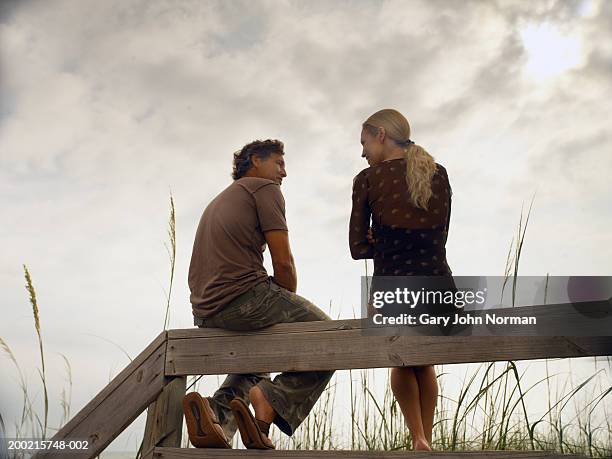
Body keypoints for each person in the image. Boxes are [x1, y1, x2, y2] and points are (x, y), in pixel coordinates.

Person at [185, 139, 334, 450]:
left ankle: (218, 416)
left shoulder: (221, 199)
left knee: (260, 359)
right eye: (279, 163)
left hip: (207, 310)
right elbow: (283, 261)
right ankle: (270, 399)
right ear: (255, 160)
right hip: (245, 298)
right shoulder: (263, 189)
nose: (284, 172)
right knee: (330, 339)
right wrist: (286, 300)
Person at [349, 109, 456, 451]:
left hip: (392, 281)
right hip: (438, 282)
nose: (363, 151)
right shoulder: (439, 174)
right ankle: (427, 437)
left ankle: (418, 437)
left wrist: (378, 239)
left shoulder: (367, 179)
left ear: (380, 135)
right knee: (424, 361)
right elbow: (439, 237)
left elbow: (357, 247)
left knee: (401, 359)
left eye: (364, 142)